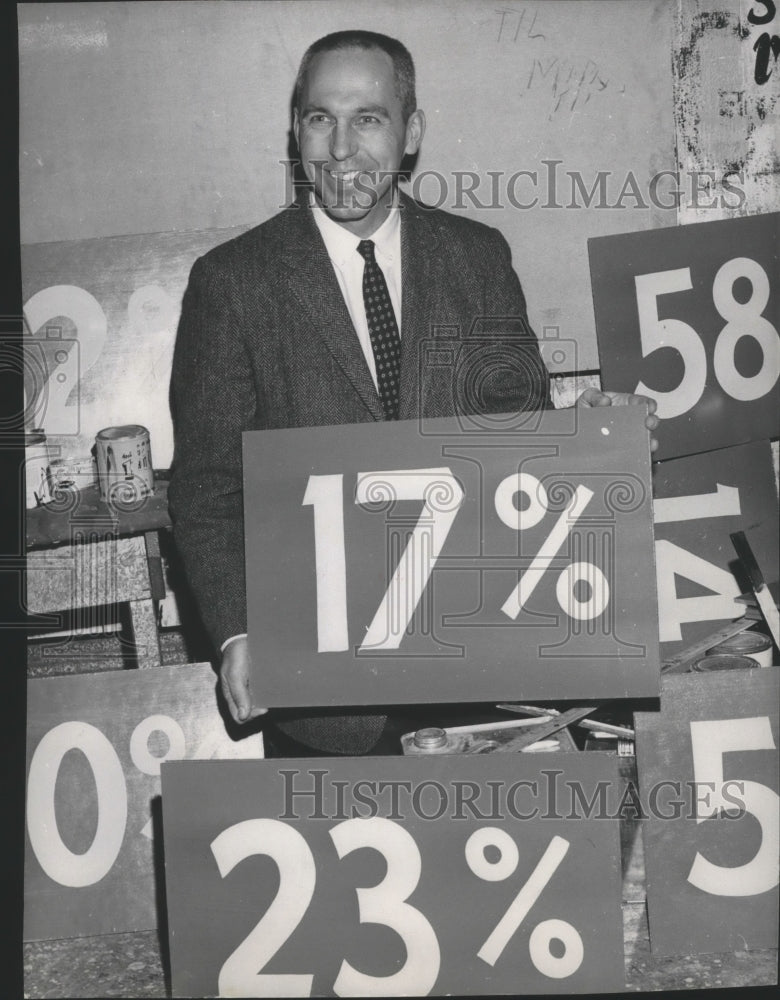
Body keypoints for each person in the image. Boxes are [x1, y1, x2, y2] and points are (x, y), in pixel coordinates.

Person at [169, 29, 657, 757]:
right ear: (295, 129)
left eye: (367, 118)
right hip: (325, 690)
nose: (340, 149)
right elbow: (206, 488)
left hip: (484, 671)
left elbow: (515, 439)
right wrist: (240, 632)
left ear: (411, 132)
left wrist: (580, 438)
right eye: (318, 118)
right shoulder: (232, 283)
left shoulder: (478, 257)